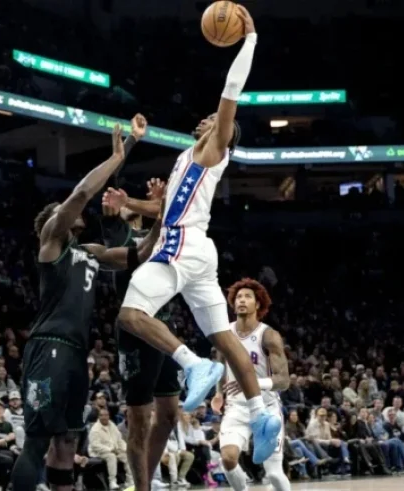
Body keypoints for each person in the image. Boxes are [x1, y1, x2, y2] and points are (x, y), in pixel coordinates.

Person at [113, 7, 279, 465]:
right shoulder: (188, 158)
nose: (207, 119)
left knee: (130, 314)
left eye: (213, 119)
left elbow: (231, 91)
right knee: (225, 336)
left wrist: (249, 40)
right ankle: (262, 415)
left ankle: (192, 363)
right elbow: (165, 209)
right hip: (197, 247)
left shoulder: (214, 148)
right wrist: (131, 203)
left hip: (183, 244)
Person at [13, 118, 161, 491]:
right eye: (61, 209)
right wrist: (119, 155)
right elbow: (80, 193)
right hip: (48, 346)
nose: (71, 209)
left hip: (78, 354)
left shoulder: (90, 252)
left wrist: (163, 215)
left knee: (66, 441)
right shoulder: (51, 242)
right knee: (38, 439)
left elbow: (138, 254)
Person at [101, 176, 182, 491]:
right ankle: (141, 486)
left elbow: (168, 219)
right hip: (136, 330)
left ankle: (143, 481)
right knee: (139, 420)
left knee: (170, 416)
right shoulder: (117, 233)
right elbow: (146, 244)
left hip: (164, 327)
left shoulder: (156, 234)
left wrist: (160, 203)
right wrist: (155, 207)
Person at [210, 279, 290, 491]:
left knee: (273, 474)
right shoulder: (225, 334)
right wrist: (218, 394)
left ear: (258, 304)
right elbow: (221, 364)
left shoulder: (269, 335)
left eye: (247, 297)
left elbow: (284, 381)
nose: (242, 300)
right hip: (237, 407)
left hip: (266, 408)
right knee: (228, 459)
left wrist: (252, 383)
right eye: (238, 297)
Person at [88, 407, 133, 489]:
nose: (104, 417)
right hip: (99, 452)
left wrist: (126, 449)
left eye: (106, 415)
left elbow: (119, 440)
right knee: (111, 456)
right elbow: (95, 445)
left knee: (127, 456)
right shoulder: (95, 429)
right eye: (102, 415)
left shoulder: (112, 426)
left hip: (115, 449)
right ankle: (112, 481)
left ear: (109, 416)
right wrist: (109, 449)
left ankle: (130, 481)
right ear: (99, 417)